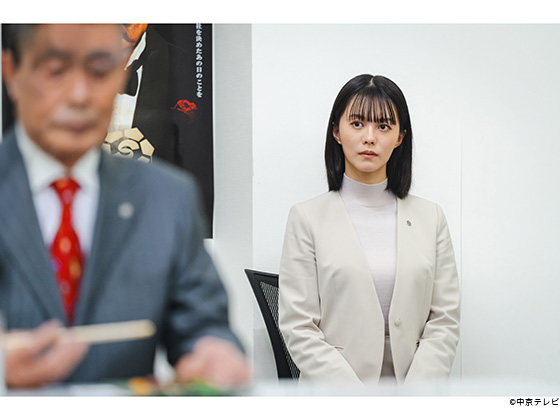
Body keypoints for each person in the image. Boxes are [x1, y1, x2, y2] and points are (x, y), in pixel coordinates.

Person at [0, 24, 250, 389]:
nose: (80, 95)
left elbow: (204, 325)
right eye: (56, 71)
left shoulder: (167, 198)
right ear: (11, 73)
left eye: (100, 72)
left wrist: (215, 353)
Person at [278, 74, 460, 385]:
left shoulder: (431, 217)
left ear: (400, 137)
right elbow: (299, 326)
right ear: (336, 131)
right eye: (357, 123)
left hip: (414, 395)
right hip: (336, 396)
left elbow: (444, 320)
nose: (370, 137)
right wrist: (359, 401)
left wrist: (415, 395)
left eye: (384, 126)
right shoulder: (306, 218)